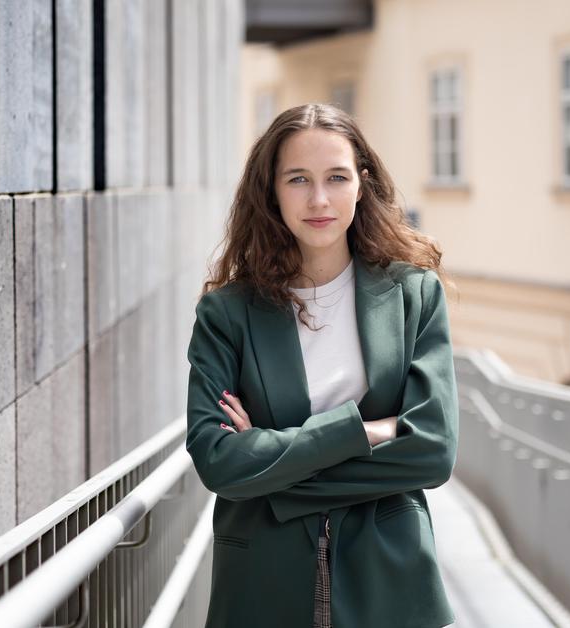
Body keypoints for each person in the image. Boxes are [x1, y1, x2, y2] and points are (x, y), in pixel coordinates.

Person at [184, 102, 459, 628]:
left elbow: (432, 452)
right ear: (271, 191)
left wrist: (270, 469)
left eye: (336, 177)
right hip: (263, 585)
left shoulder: (413, 295)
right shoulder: (228, 314)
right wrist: (367, 430)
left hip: (390, 583)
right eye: (297, 179)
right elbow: (218, 461)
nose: (318, 199)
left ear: (362, 184)